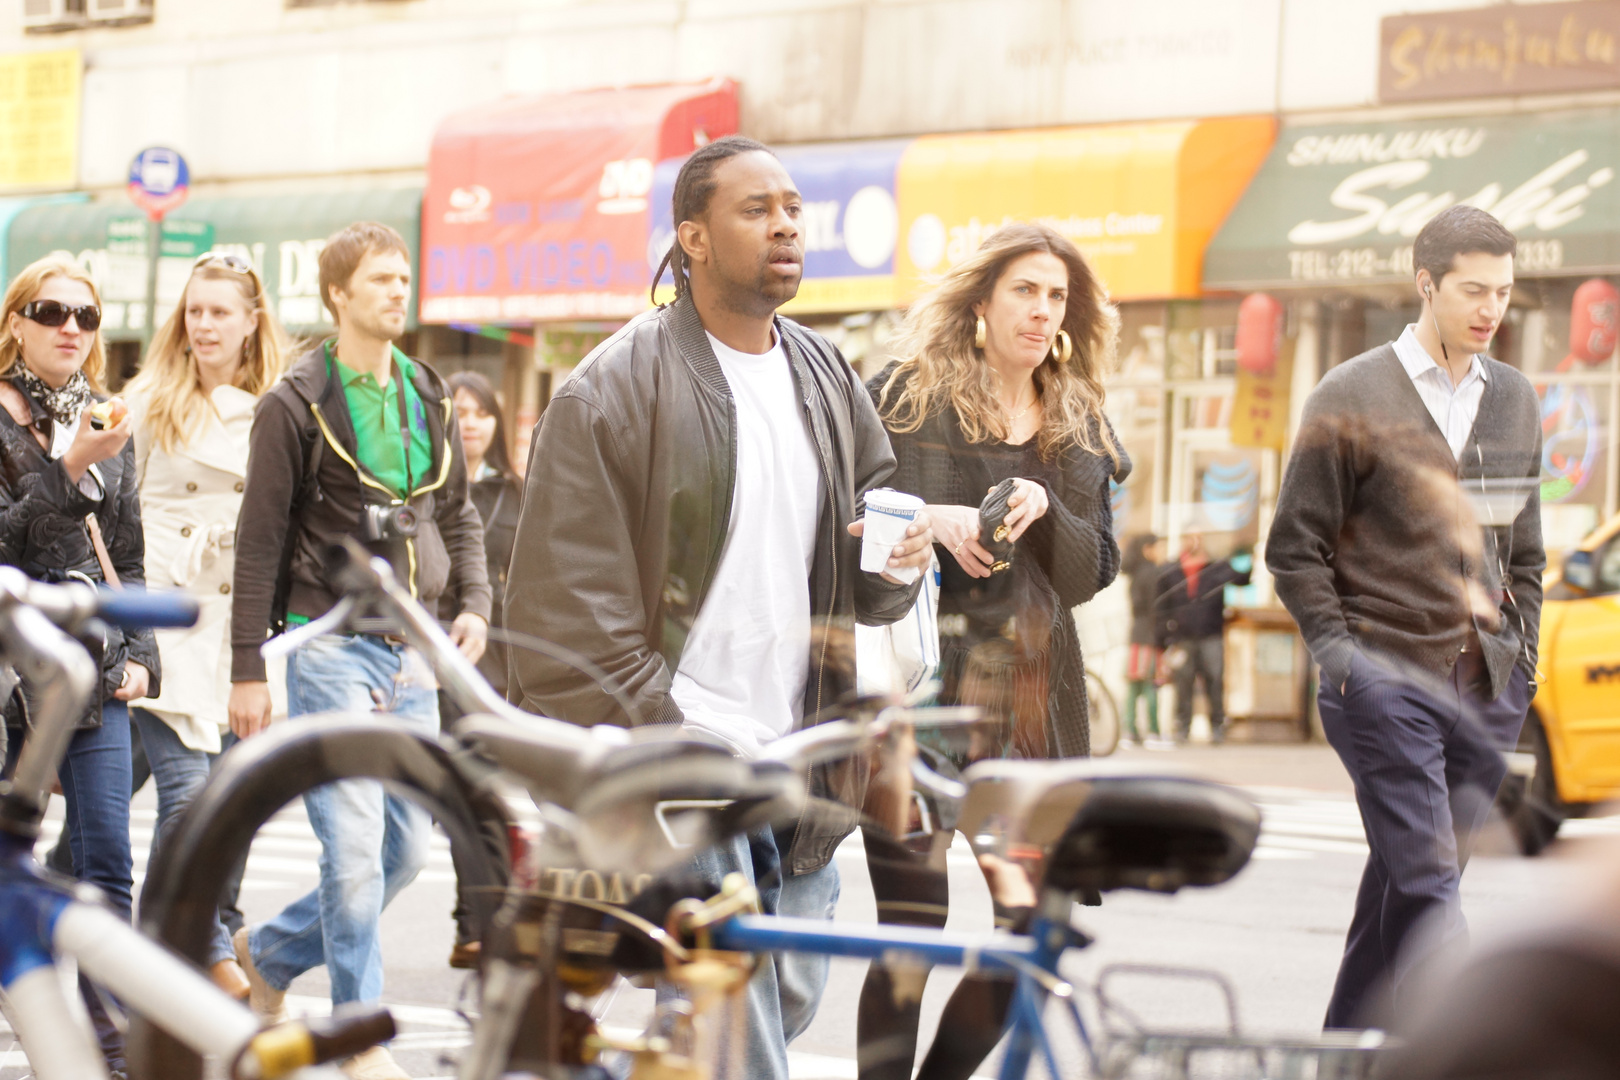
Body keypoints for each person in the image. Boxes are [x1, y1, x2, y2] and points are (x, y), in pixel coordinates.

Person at [504, 135, 933, 1080]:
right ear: (692, 238)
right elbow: (562, 610)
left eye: (791, 207)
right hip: (686, 747)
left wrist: (897, 562)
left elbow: (867, 565)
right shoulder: (611, 388)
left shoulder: (828, 376)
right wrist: (669, 733)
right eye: (755, 209)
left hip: (800, 745)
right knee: (734, 998)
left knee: (777, 993)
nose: (784, 223)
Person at [862, 221, 1128, 1080]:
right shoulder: (907, 395)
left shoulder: (1079, 416)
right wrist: (926, 519)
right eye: (1025, 290)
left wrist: (1049, 509)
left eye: (1057, 296)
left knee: (1031, 931)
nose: (1042, 311)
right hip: (922, 685)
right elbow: (850, 508)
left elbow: (1095, 573)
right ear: (982, 301)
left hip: (1029, 699)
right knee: (914, 923)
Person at [1267, 205, 1544, 1029]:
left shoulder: (1517, 400)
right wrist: (1344, 660)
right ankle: (1468, 1047)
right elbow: (1294, 549)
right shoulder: (1349, 393)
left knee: (1411, 878)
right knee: (1427, 882)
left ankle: (1343, 1053)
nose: (1490, 309)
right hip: (1382, 678)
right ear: (1425, 284)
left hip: (1486, 685)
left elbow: (1522, 550)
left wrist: (1520, 655)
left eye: (1502, 292)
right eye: (1472, 290)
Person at [227, 222, 492, 1080]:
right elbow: (259, 540)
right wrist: (245, 668)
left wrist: (476, 602)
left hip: (413, 650)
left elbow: (456, 514)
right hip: (329, 645)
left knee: (402, 854)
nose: (397, 291)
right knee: (349, 856)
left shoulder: (427, 390)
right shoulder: (294, 401)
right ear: (337, 294)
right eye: (380, 279)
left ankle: (266, 955)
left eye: (403, 277)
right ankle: (358, 1040)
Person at [0, 255, 160, 1078]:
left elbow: (126, 557)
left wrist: (143, 657)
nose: (71, 328)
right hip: (7, 672)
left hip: (92, 668)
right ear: (16, 322)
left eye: (87, 317)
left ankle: (109, 1046)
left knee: (107, 861)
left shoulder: (110, 425)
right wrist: (63, 472)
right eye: (53, 311)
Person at [124, 251, 290, 1002]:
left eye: (220, 311)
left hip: (240, 629)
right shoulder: (147, 401)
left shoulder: (282, 408)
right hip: (164, 620)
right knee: (190, 798)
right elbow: (112, 515)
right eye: (194, 310)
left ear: (252, 321)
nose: (204, 325)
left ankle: (105, 915)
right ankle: (201, 946)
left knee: (228, 804)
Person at [439, 368, 521, 969]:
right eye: (459, 411)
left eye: (481, 412)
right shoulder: (429, 490)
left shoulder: (519, 493)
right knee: (464, 794)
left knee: (488, 797)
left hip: (502, 663)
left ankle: (486, 922)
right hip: (442, 657)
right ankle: (478, 924)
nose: (469, 422)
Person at [1154, 531, 1250, 744]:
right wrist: (1165, 637)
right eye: (1189, 536)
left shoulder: (1216, 567)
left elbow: (1243, 579)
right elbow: (1161, 606)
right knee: (1183, 682)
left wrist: (1243, 553)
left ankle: (1217, 726)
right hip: (1182, 637)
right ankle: (1182, 727)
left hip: (1211, 634)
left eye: (1198, 537)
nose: (1194, 541)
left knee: (1214, 680)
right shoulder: (1171, 570)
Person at [1121, 533, 1164, 746]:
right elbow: (1156, 607)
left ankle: (1130, 730)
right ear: (1148, 549)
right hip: (1150, 634)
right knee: (1150, 684)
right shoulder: (1153, 573)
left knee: (1134, 685)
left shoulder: (1135, 573)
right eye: (1158, 547)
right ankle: (1153, 732)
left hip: (1136, 634)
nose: (1161, 552)